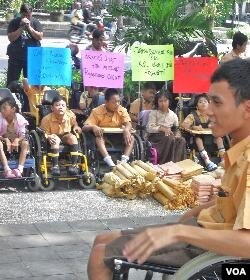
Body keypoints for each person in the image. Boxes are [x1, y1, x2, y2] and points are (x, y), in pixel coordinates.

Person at [87, 58, 250, 279]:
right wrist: (191, 215)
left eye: (217, 102)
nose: (208, 110)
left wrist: (179, 231)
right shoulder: (240, 148)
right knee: (102, 239)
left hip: (214, 247)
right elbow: (232, 198)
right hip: (204, 227)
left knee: (101, 254)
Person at [82, 88, 134, 167]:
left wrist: (126, 130)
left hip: (118, 137)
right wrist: (93, 127)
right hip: (103, 137)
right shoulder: (96, 111)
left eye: (118, 101)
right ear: (106, 102)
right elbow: (84, 127)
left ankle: (124, 162)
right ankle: (110, 163)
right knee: (98, 138)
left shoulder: (122, 110)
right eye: (114, 102)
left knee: (132, 137)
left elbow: (128, 123)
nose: (117, 104)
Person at [181, 94, 225, 171]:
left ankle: (223, 160)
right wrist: (193, 127)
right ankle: (207, 161)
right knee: (198, 139)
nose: (203, 103)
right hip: (197, 141)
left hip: (211, 139)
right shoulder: (192, 115)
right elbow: (183, 125)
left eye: (205, 101)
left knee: (219, 138)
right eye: (200, 102)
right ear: (197, 106)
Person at [40, 95, 82, 176]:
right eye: (57, 105)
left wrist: (76, 126)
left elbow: (75, 123)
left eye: (63, 105)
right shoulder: (46, 119)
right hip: (52, 136)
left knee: (73, 137)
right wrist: (48, 137)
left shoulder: (70, 115)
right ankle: (55, 166)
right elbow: (43, 133)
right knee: (55, 139)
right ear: (52, 108)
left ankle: (74, 165)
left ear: (66, 107)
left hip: (65, 136)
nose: (60, 107)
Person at [6, 3, 43, 86]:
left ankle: (29, 98)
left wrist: (29, 27)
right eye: (24, 15)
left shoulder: (35, 22)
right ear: (20, 13)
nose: (26, 18)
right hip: (15, 57)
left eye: (28, 16)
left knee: (32, 84)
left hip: (31, 58)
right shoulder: (14, 22)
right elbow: (11, 38)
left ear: (31, 14)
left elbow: (40, 37)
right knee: (12, 82)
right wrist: (21, 28)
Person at [146, 91, 186, 164]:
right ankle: (164, 163)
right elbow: (149, 128)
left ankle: (176, 163)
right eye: (160, 101)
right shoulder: (154, 113)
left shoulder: (173, 115)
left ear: (169, 101)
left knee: (181, 140)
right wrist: (161, 128)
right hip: (155, 138)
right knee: (169, 138)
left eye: (165, 101)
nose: (163, 103)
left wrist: (177, 134)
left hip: (170, 136)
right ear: (157, 102)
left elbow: (176, 129)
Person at [0, 97, 29, 178]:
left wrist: (17, 140)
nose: (1, 110)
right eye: (1, 108)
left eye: (4, 108)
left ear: (13, 109)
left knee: (25, 143)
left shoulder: (19, 118)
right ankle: (7, 169)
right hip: (2, 140)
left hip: (16, 140)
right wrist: (5, 139)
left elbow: (23, 134)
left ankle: (20, 169)